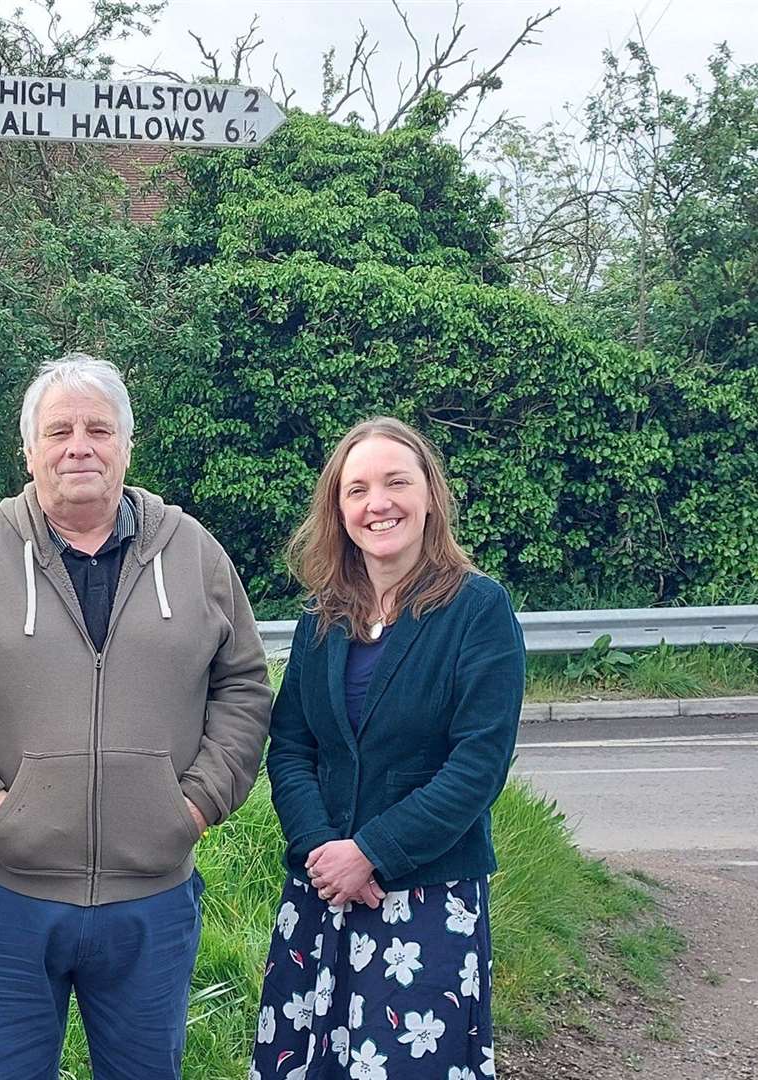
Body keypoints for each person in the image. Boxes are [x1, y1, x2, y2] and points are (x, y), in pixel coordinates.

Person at [0, 354, 273, 1080]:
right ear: (29, 451)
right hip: (8, 895)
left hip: (153, 901)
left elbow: (241, 685)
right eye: (59, 431)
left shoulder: (195, 553)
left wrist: (195, 805)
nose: (79, 444)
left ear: (126, 445)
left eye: (98, 429)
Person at [254, 416, 524, 1080]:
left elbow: (477, 767)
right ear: (339, 508)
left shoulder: (478, 610)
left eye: (396, 482)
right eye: (357, 489)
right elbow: (289, 748)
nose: (378, 503)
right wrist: (324, 852)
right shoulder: (322, 618)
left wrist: (371, 853)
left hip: (426, 905)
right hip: (320, 897)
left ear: (429, 494)